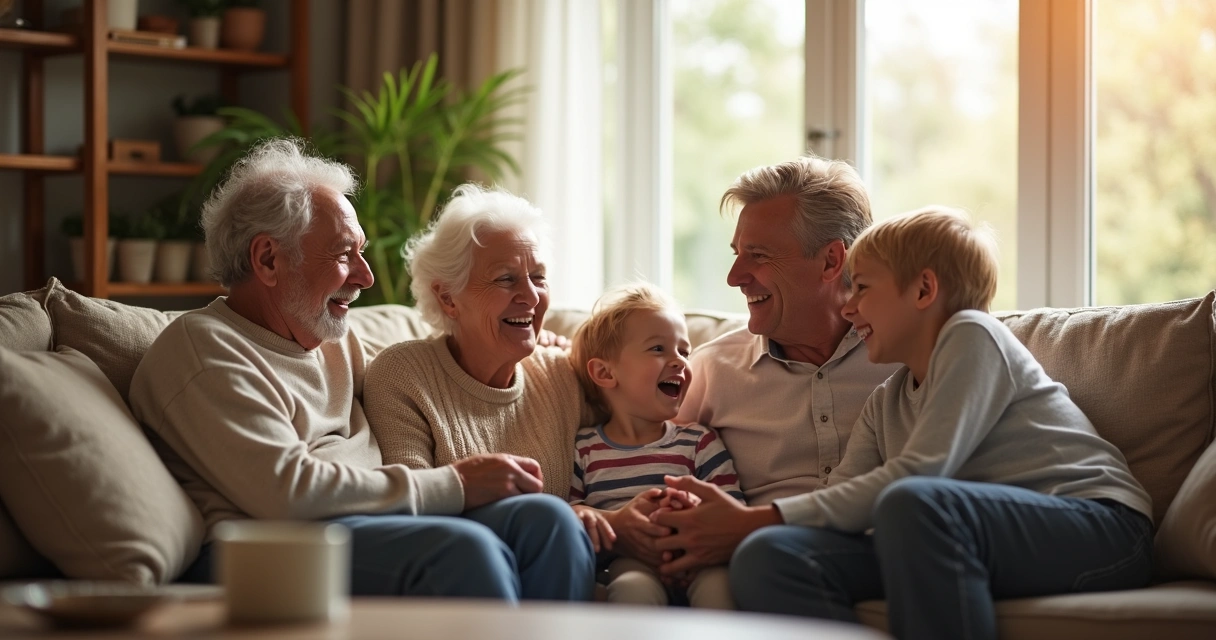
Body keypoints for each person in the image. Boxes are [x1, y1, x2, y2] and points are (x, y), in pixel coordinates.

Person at [128, 138, 594, 602]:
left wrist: (526, 342)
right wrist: (455, 484)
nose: (366, 276)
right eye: (343, 254)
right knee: (463, 552)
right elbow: (286, 492)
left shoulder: (330, 337)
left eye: (361, 252)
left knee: (548, 521)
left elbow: (431, 370)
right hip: (269, 546)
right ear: (268, 259)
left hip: (372, 525)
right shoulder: (205, 351)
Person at [730, 206, 1153, 639]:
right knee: (768, 556)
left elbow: (922, 471)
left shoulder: (974, 334)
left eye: (862, 288)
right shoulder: (885, 402)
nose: (850, 308)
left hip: (1101, 529)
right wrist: (744, 527)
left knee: (913, 501)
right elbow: (836, 500)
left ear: (924, 289)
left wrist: (760, 517)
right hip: (962, 533)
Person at [362, 184, 671, 569]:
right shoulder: (403, 374)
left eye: (538, 277)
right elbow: (413, 511)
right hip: (463, 571)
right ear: (448, 298)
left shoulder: (562, 374)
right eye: (506, 279)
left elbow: (642, 429)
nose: (531, 296)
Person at [651, 156, 900, 576]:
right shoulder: (709, 371)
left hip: (892, 556)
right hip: (763, 567)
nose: (735, 276)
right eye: (737, 254)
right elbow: (651, 466)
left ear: (831, 261)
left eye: (759, 256)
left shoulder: (908, 357)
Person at [567, 283, 744, 609]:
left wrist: (691, 509)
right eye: (658, 349)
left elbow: (732, 512)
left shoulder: (699, 441)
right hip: (629, 562)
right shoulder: (585, 449)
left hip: (700, 561)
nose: (679, 362)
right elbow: (572, 515)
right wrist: (615, 522)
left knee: (720, 586)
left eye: (684, 352)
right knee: (632, 588)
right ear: (605, 372)